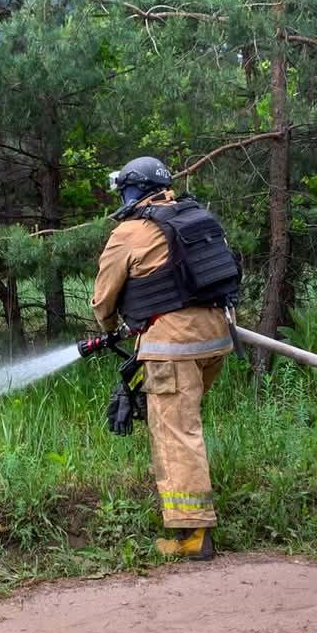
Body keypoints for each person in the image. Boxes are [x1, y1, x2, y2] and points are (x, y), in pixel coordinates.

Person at [91, 156, 236, 560]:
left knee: (176, 436)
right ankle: (194, 522)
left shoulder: (130, 231)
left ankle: (194, 535)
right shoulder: (197, 217)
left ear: (130, 190)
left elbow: (103, 301)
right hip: (216, 341)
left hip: (173, 349)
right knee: (187, 427)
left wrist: (108, 329)